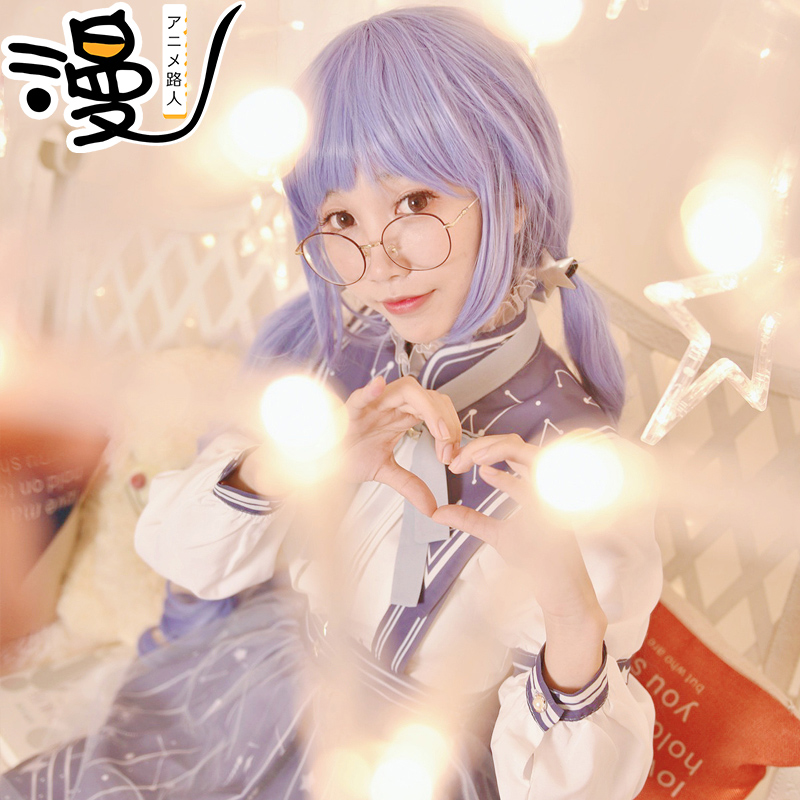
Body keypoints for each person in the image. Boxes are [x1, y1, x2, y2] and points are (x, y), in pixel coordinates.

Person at [1, 6, 662, 799]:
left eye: (415, 203)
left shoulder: (579, 468)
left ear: (514, 195)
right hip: (246, 696)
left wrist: (570, 612)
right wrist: (292, 467)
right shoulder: (336, 364)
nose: (378, 263)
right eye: (342, 217)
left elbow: (572, 790)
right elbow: (180, 555)